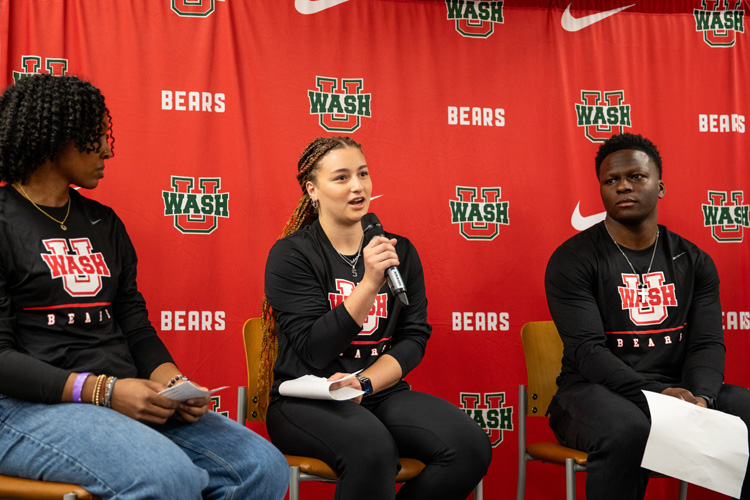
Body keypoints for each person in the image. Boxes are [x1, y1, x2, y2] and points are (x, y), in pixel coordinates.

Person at [0, 74, 288, 499]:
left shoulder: (104, 223)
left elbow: (133, 323)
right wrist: (103, 391)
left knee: (262, 468)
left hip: (120, 397)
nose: (107, 148)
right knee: (167, 477)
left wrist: (172, 383)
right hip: (26, 408)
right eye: (94, 135)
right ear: (54, 138)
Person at [262, 136, 491, 500]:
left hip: (377, 392)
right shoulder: (292, 255)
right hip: (306, 400)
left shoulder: (398, 251)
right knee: (373, 451)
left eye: (363, 174)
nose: (358, 186)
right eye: (341, 177)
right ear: (312, 190)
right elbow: (313, 349)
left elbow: (413, 337)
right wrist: (369, 284)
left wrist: (365, 384)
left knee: (470, 447)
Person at [544, 132, 750, 500]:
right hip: (591, 392)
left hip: (677, 389)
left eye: (636, 177)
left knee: (744, 409)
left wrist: (701, 399)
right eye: (611, 181)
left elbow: (706, 343)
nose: (623, 186)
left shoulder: (694, 261)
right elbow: (589, 352)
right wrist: (658, 394)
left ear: (660, 186)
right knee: (629, 429)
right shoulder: (572, 259)